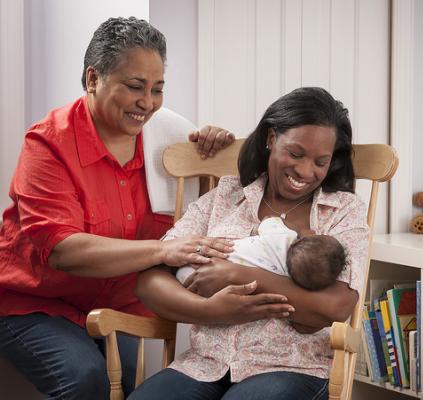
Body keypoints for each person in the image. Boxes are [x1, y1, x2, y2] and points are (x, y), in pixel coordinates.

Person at [0, 17, 292, 400]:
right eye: (135, 87)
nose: (148, 103)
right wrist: (162, 250)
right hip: (34, 302)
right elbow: (63, 251)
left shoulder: (168, 143)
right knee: (88, 378)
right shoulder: (50, 144)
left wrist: (214, 148)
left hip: (117, 304)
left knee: (132, 391)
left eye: (157, 89)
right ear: (93, 79)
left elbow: (225, 204)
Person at [129, 87, 370, 400]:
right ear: (271, 138)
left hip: (292, 368)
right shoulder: (226, 197)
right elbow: (150, 280)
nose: (305, 171)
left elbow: (335, 306)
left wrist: (235, 275)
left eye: (320, 162)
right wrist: (210, 310)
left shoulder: (341, 211)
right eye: (295, 154)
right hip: (204, 364)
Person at [176, 216, 348, 291]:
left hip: (214, 252)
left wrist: (296, 228)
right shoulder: (284, 276)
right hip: (214, 279)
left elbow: (268, 220)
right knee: (187, 277)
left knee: (183, 269)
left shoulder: (284, 235)